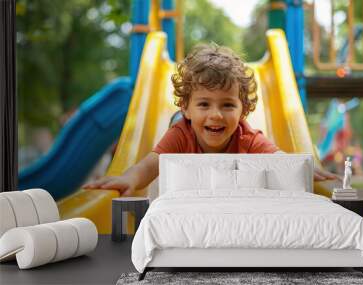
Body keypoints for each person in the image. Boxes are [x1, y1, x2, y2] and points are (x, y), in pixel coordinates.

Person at [83, 44, 337, 196]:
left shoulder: (246, 137)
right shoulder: (181, 134)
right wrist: (129, 179)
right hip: (183, 136)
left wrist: (303, 167)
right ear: (187, 107)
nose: (216, 114)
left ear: (243, 111)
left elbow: (278, 158)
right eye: (204, 104)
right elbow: (150, 166)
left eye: (228, 105)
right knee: (168, 160)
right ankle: (178, 116)